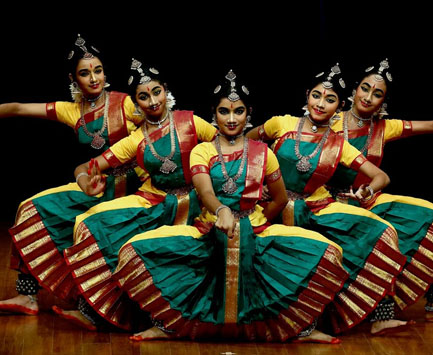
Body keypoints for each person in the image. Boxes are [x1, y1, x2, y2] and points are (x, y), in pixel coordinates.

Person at [111, 70, 350, 343]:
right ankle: (165, 324)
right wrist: (222, 210)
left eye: (239, 111)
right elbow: (205, 191)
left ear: (249, 114)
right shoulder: (203, 151)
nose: (232, 118)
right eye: (225, 111)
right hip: (208, 229)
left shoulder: (263, 152)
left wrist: (255, 220)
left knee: (329, 252)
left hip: (257, 230)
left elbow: (281, 199)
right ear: (215, 114)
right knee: (135, 249)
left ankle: (303, 328)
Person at [246, 63, 408, 335]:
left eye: (330, 99)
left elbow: (380, 176)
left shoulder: (337, 143)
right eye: (317, 96)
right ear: (307, 95)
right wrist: (255, 182)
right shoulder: (281, 123)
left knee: (379, 233)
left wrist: (368, 190)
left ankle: (319, 323)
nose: (321, 104)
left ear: (339, 106)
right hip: (268, 207)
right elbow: (243, 145)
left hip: (313, 209)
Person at [57, 58, 218, 331]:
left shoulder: (190, 121)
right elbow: (87, 166)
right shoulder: (135, 140)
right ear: (136, 103)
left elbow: (226, 147)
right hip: (155, 204)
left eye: (157, 92)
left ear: (166, 91)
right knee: (91, 224)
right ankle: (97, 311)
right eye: (144, 97)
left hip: (199, 204)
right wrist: (84, 180)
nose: (153, 101)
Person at [0, 34, 144, 318]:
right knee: (31, 209)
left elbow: (161, 130)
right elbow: (18, 108)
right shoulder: (72, 110)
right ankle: (27, 295)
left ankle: (91, 308)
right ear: (73, 78)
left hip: (134, 191)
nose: (93, 78)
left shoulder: (126, 104)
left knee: (89, 229)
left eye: (98, 70)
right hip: (94, 186)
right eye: (85, 73)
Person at [329, 59, 433, 322]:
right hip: (328, 200)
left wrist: (366, 192)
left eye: (377, 94)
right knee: (382, 235)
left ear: (383, 101)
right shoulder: (330, 120)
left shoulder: (384, 128)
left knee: (427, 216)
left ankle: (422, 298)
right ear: (354, 90)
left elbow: (428, 125)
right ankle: (378, 316)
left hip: (367, 199)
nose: (368, 97)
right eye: (365, 88)